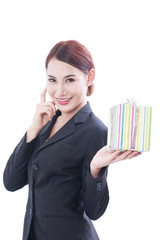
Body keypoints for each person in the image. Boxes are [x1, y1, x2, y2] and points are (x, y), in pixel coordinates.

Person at [3, 40, 141, 240]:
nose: (59, 91)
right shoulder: (46, 123)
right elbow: (11, 182)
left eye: (69, 80)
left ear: (89, 78)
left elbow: (95, 211)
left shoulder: (96, 131)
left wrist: (95, 169)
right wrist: (32, 130)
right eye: (52, 80)